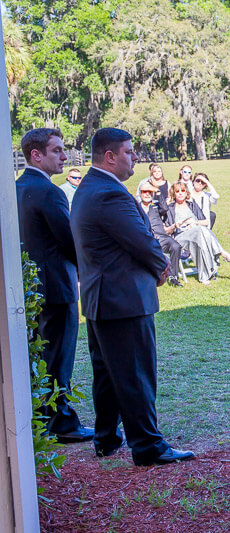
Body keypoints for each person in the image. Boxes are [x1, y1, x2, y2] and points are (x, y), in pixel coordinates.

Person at [70, 127, 193, 465]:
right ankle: (148, 446)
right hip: (122, 299)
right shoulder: (109, 193)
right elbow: (141, 240)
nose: (135, 157)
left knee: (109, 374)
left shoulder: (89, 188)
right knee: (136, 373)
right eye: (129, 151)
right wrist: (161, 267)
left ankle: (106, 438)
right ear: (109, 156)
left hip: (102, 298)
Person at [16, 128, 93, 443]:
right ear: (37, 155)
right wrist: (90, 269)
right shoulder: (49, 192)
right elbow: (68, 239)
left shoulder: (16, 188)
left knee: (38, 357)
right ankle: (61, 422)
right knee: (58, 357)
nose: (65, 156)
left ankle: (40, 416)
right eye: (58, 150)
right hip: (56, 287)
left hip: (31, 288)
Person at [168, 181, 230, 284]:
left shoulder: (191, 205)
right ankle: (223, 253)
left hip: (196, 234)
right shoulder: (170, 208)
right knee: (200, 230)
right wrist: (175, 225)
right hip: (179, 237)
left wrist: (194, 223)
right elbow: (166, 230)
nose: (180, 193)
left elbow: (205, 222)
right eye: (177, 191)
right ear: (173, 193)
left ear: (186, 192)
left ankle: (204, 276)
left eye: (183, 190)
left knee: (201, 232)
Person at [138, 182, 183, 288]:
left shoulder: (156, 206)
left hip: (162, 237)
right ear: (140, 193)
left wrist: (157, 192)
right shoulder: (136, 207)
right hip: (147, 239)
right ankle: (152, 277)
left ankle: (173, 277)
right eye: (145, 192)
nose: (147, 194)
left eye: (150, 192)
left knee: (175, 246)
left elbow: (165, 208)